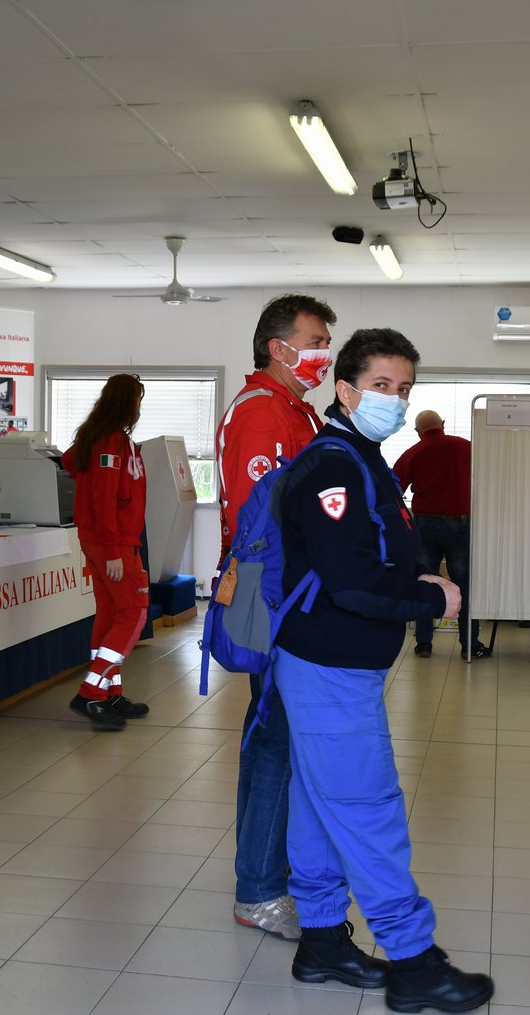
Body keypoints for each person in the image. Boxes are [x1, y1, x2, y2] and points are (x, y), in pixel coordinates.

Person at [273, 327, 494, 1014]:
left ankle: (321, 943)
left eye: (403, 389)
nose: (393, 400)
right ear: (345, 390)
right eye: (381, 387)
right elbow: (350, 582)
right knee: (368, 810)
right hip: (329, 667)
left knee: (316, 806)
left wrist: (415, 571)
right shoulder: (335, 465)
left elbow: (368, 555)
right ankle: (413, 960)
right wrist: (434, 594)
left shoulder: (362, 456)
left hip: (330, 662)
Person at [216, 293, 335, 940]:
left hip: (296, 596)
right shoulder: (263, 415)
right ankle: (259, 888)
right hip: (276, 599)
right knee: (273, 740)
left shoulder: (296, 411)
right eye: (314, 340)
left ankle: (271, 872)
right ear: (278, 346)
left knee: (278, 738)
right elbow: (261, 524)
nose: (321, 354)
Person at [60, 374, 150, 731]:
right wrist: (113, 549)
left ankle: (109, 693)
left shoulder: (102, 439)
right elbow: (104, 500)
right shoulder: (109, 443)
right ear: (127, 402)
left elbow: (69, 463)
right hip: (113, 543)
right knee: (134, 613)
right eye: (138, 400)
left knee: (112, 614)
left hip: (107, 540)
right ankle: (90, 692)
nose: (140, 407)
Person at [393, 410, 488, 660]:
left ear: (418, 432)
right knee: (465, 586)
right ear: (443, 425)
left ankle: (424, 643)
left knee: (426, 581)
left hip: (425, 526)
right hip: (461, 525)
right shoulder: (466, 447)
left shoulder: (413, 452)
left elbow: (393, 489)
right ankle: (470, 644)